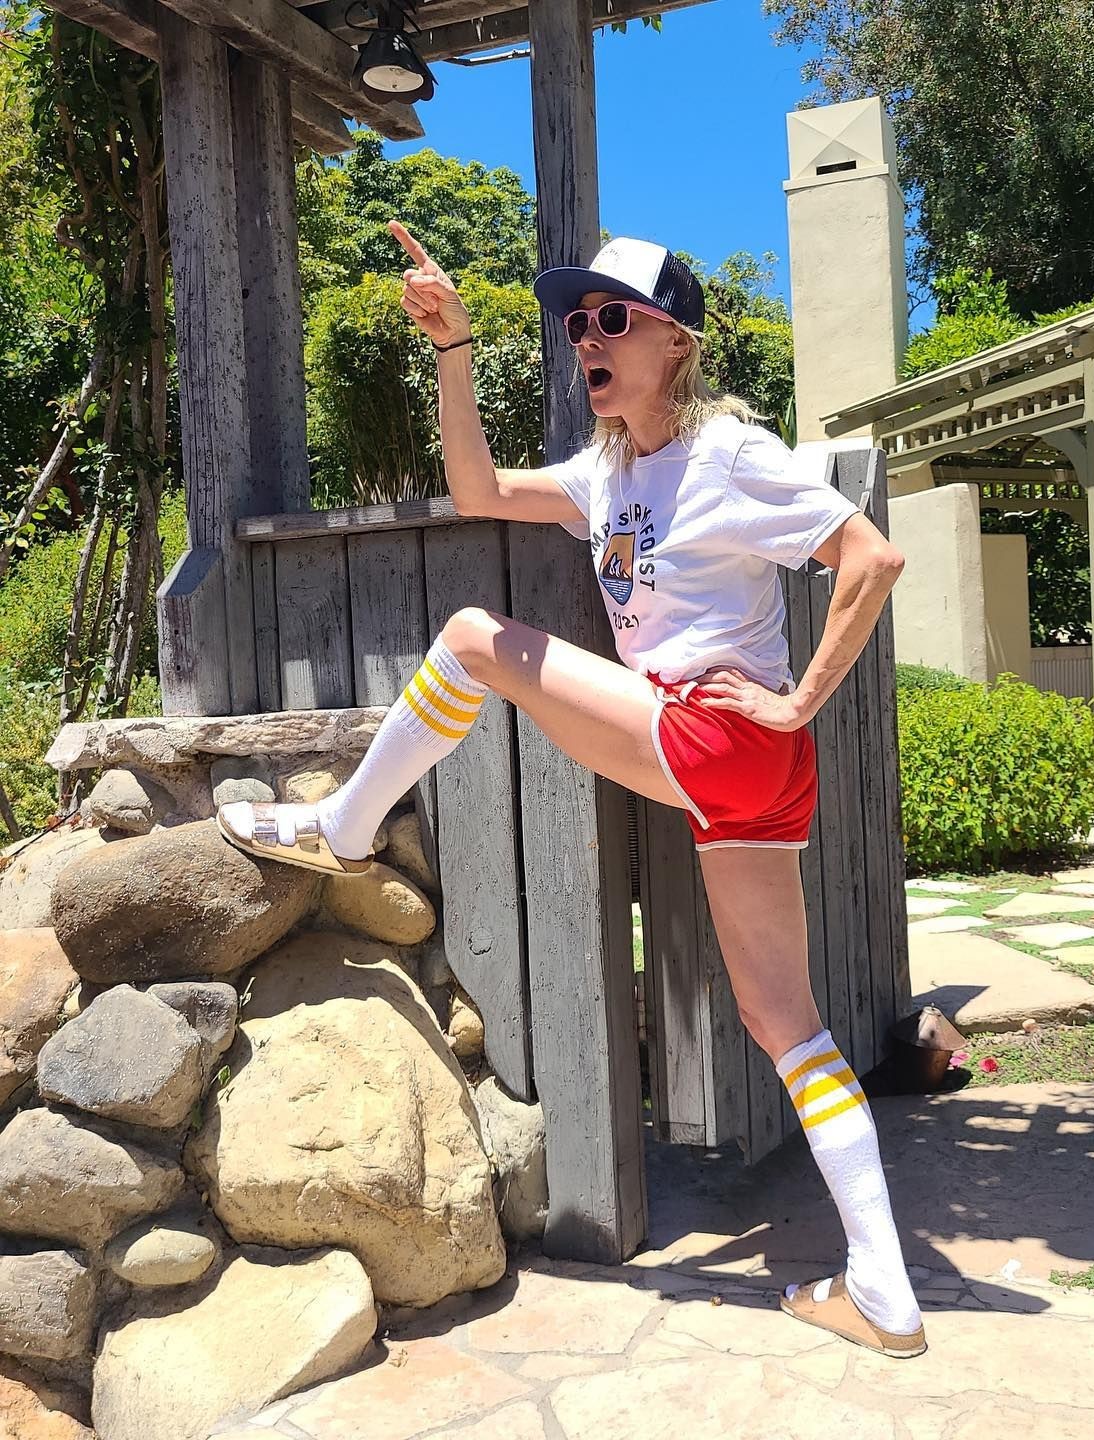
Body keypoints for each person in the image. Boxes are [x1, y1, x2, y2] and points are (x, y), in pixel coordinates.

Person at [214, 224, 925, 1359]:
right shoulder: (604, 473)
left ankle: (345, 826)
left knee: (471, 637)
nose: (586, 336)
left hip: (722, 731)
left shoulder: (729, 452)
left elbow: (871, 559)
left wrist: (800, 701)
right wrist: (453, 349)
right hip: (743, 768)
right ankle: (883, 1290)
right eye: (577, 320)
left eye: (613, 318)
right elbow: (477, 488)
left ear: (675, 341)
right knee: (781, 1023)